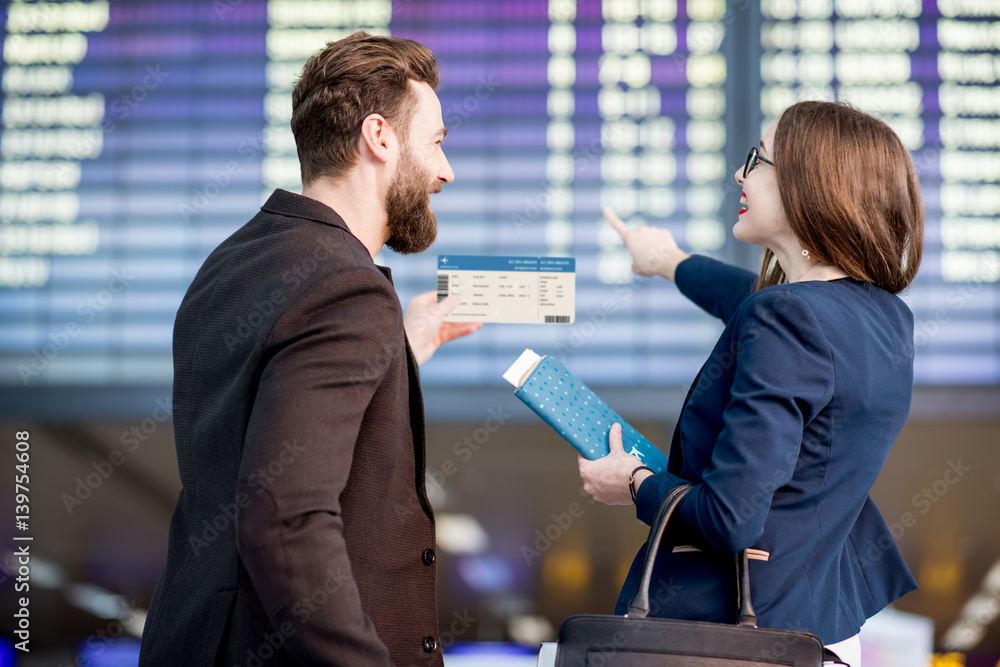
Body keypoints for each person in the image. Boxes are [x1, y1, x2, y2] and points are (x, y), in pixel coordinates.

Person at [139, 32, 481, 667]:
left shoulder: (234, 261)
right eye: (436, 142)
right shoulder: (346, 287)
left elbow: (266, 409)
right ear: (380, 138)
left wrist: (399, 348)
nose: (445, 171)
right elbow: (282, 516)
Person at [578, 101, 922, 667]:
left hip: (737, 638)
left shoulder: (787, 318)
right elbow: (753, 303)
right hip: (818, 624)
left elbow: (728, 519)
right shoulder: (883, 319)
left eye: (758, 160)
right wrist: (667, 259)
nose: (741, 174)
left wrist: (635, 483)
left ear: (813, 186)